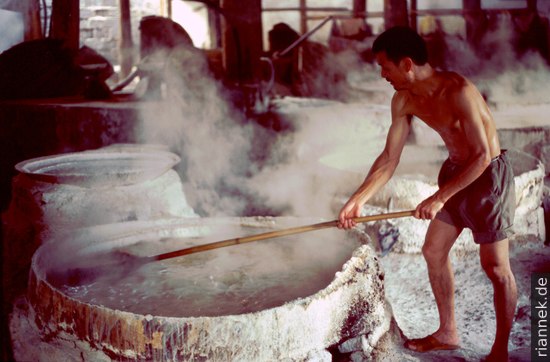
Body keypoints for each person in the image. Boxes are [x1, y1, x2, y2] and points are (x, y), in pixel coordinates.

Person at [337, 26, 517, 362]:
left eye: (385, 67)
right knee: (433, 250)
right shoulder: (404, 99)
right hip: (454, 173)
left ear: (406, 64)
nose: (382, 75)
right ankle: (448, 332)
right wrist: (358, 199)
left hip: (488, 178)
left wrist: (438, 198)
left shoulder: (459, 91)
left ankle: (501, 350)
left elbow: (481, 157)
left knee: (495, 268)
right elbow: (389, 159)